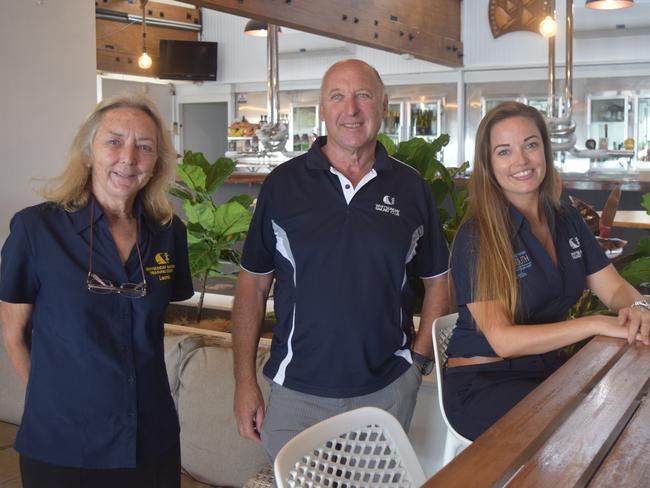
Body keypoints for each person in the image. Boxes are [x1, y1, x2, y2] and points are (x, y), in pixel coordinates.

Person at [232, 59, 450, 460]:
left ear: (383, 107)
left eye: (363, 95)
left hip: (386, 392)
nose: (351, 109)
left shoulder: (412, 189)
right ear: (323, 110)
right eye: (338, 96)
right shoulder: (283, 185)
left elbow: (439, 280)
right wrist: (244, 380)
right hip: (296, 393)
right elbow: (253, 283)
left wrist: (417, 362)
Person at [0, 93, 193, 487]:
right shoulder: (36, 231)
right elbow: (14, 334)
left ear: (156, 162)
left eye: (144, 147)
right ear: (89, 152)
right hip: (62, 443)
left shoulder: (168, 233)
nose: (129, 157)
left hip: (150, 440)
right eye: (114, 141)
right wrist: (53, 401)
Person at [444, 101, 650, 440]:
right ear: (489, 164)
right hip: (485, 383)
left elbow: (613, 289)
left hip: (545, 371)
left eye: (530, 145)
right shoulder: (478, 236)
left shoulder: (565, 218)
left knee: (624, 411)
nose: (521, 161)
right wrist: (596, 323)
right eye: (504, 151)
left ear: (544, 150)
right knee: (587, 432)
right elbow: (503, 341)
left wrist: (639, 307)